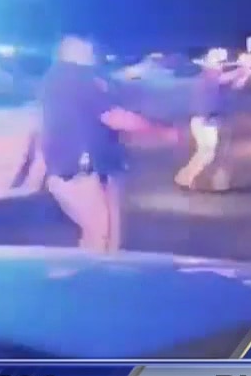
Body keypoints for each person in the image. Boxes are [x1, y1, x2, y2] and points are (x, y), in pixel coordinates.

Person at [39, 34, 175, 253]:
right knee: (99, 234)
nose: (93, 50)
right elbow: (115, 117)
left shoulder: (66, 78)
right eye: (86, 45)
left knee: (108, 237)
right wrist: (162, 132)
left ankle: (100, 272)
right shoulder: (73, 78)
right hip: (79, 171)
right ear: (70, 49)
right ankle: (87, 274)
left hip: (93, 168)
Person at [174, 51, 251, 190]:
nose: (221, 66)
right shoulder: (207, 78)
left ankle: (217, 183)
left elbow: (236, 86)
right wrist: (244, 69)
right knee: (207, 152)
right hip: (204, 120)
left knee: (220, 154)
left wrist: (248, 72)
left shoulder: (218, 78)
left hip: (217, 119)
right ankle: (184, 178)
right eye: (219, 63)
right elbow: (223, 79)